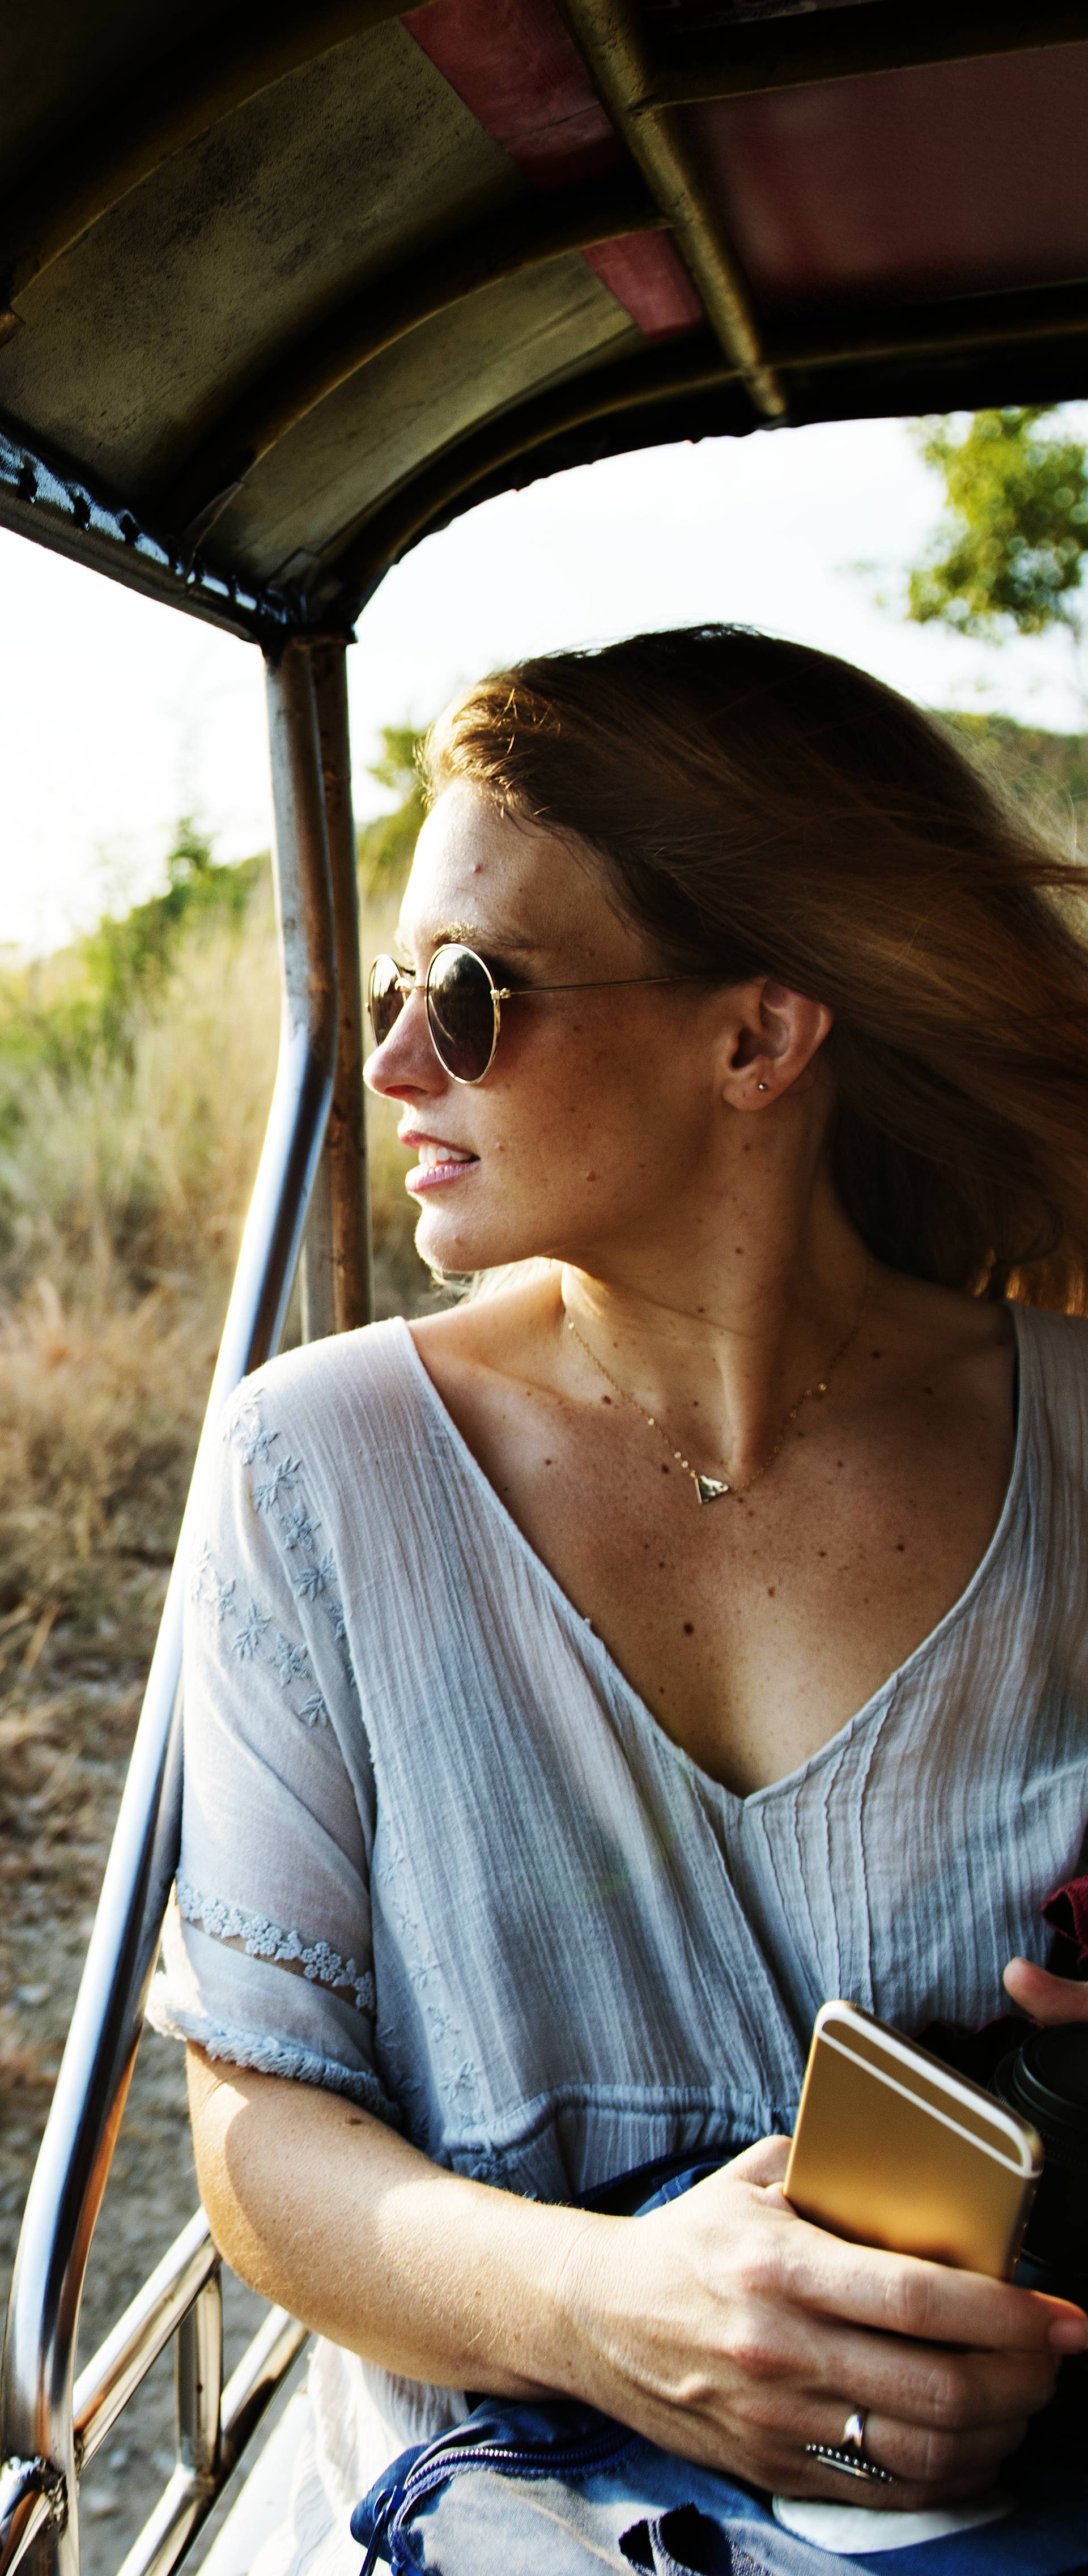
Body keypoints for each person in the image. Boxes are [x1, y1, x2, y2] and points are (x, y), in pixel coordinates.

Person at [153, 626, 1088, 2575]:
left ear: (758, 1036)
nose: (395, 1061)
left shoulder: (1079, 1444)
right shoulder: (316, 1471)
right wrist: (613, 2312)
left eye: (474, 996)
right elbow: (252, 2132)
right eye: (397, 987)